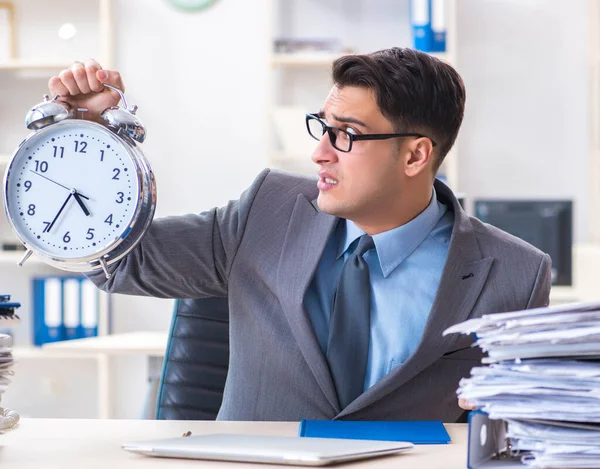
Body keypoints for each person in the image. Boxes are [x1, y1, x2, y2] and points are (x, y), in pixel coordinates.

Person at [49, 47, 551, 422]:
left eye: (346, 135)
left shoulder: (516, 274)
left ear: (417, 155)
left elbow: (523, 426)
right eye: (322, 126)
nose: (320, 153)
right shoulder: (268, 209)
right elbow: (123, 261)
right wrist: (91, 139)